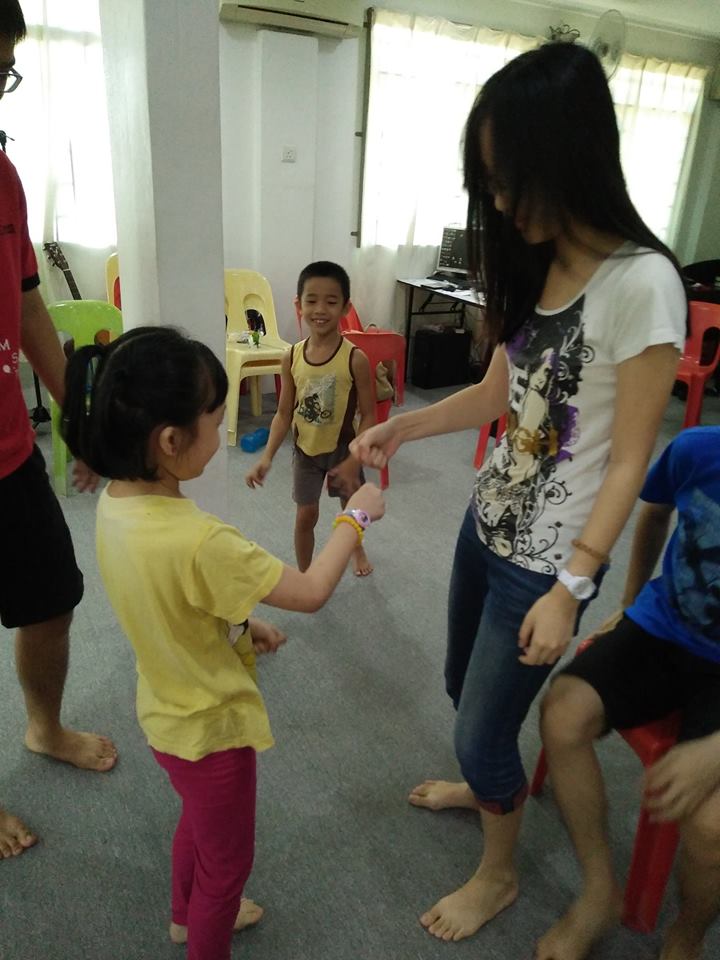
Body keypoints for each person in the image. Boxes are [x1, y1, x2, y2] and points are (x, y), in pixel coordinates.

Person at [351, 41, 687, 943]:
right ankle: (486, 785)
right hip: (485, 524)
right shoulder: (536, 263)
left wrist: (574, 586)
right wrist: (402, 427)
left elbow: (631, 459)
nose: (498, 202)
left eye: (508, 180)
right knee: (463, 687)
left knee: (481, 732)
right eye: (488, 183)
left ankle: (498, 874)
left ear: (568, 155)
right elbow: (498, 395)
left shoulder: (644, 283)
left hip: (547, 563)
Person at [61, 325, 385, 960]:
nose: (222, 434)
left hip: (164, 714)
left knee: (198, 824)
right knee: (226, 871)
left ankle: (183, 918)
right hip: (213, 732)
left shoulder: (115, 505)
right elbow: (311, 590)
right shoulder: (202, 540)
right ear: (171, 441)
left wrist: (238, 623)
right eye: (215, 421)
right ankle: (201, 929)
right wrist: (357, 515)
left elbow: (173, 600)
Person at [0, 0, 116, 861]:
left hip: (9, 450)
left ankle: (43, 725)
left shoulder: (2, 176)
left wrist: (81, 412)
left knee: (51, 599)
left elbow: (29, 304)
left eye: (1, 73)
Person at [538, 426, 720, 960]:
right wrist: (632, 600)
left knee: (710, 827)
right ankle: (599, 893)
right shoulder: (698, 448)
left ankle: (688, 932)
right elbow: (655, 512)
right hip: (667, 628)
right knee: (562, 711)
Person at [246, 260, 376, 576]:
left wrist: (356, 458)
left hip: (343, 451)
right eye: (312, 300)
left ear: (345, 307)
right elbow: (283, 413)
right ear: (298, 305)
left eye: (331, 302)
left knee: (350, 511)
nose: (320, 309)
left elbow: (370, 415)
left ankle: (357, 548)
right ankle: (305, 576)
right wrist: (267, 457)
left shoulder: (355, 359)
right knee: (306, 516)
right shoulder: (291, 356)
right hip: (305, 452)